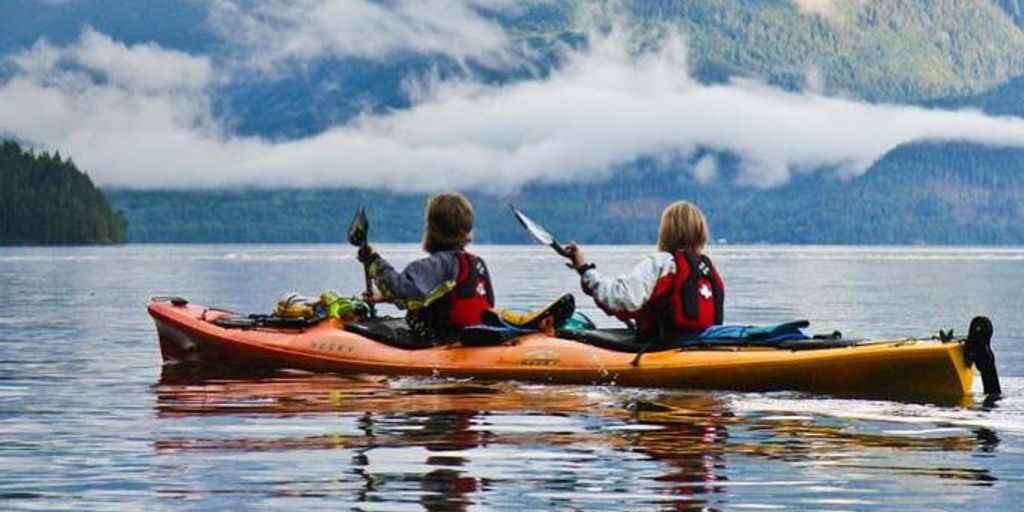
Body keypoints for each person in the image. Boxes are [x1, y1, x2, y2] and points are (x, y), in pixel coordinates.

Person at [565, 200, 724, 341]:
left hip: (662, 346)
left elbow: (621, 299)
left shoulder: (661, 263)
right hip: (700, 344)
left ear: (666, 232)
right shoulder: (707, 269)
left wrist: (585, 270)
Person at [357, 191, 494, 340]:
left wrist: (372, 259)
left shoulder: (438, 264)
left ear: (432, 229)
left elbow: (400, 289)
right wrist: (384, 296)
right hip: (471, 336)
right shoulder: (477, 263)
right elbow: (435, 294)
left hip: (440, 338)